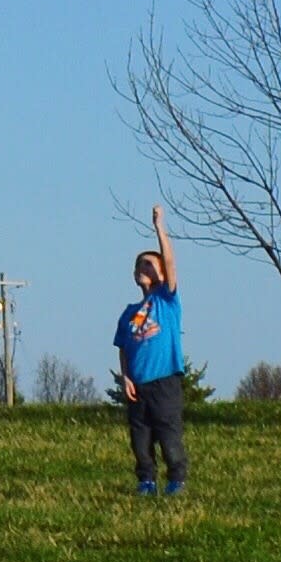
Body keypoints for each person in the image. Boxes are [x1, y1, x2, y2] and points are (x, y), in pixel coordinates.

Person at [116, 205, 186, 496]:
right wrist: (126, 377)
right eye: (139, 265)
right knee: (140, 438)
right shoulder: (129, 313)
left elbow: (170, 263)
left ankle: (176, 479)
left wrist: (160, 228)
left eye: (149, 264)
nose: (143, 268)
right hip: (138, 386)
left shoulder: (166, 300)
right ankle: (146, 480)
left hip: (165, 381)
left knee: (168, 433)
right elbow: (123, 346)